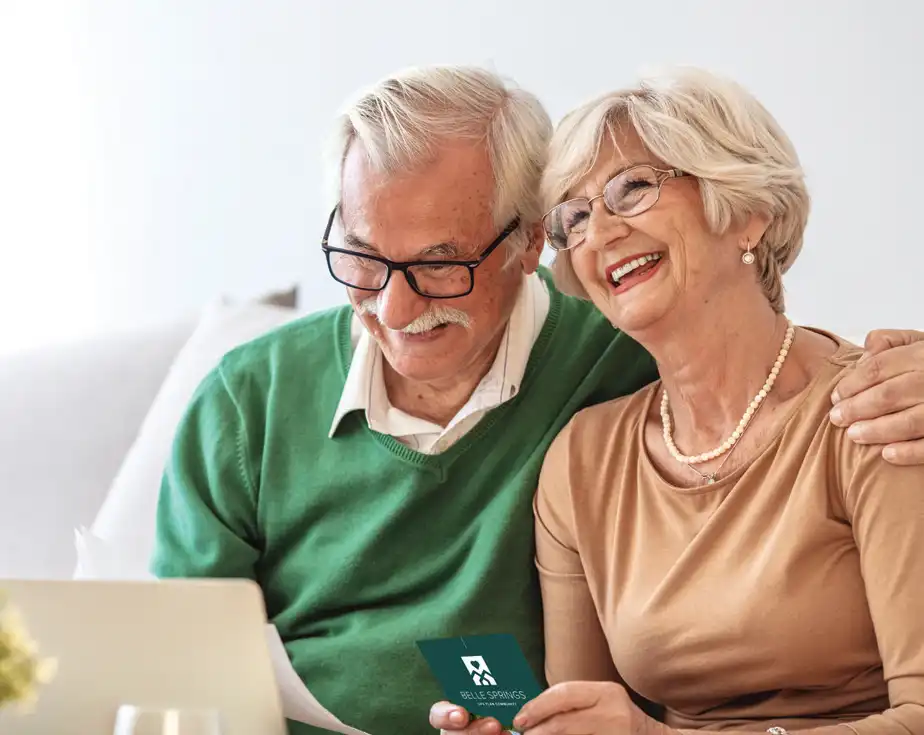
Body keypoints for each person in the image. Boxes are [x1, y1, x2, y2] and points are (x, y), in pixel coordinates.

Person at [149, 65, 924, 735]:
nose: (392, 309)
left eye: (441, 264)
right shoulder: (585, 455)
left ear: (524, 248)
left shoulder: (868, 410)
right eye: (362, 256)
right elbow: (166, 675)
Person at [432, 68, 924, 735]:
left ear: (748, 210)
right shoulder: (583, 462)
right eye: (573, 219)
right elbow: (586, 713)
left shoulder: (880, 408)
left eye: (631, 189)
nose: (599, 234)